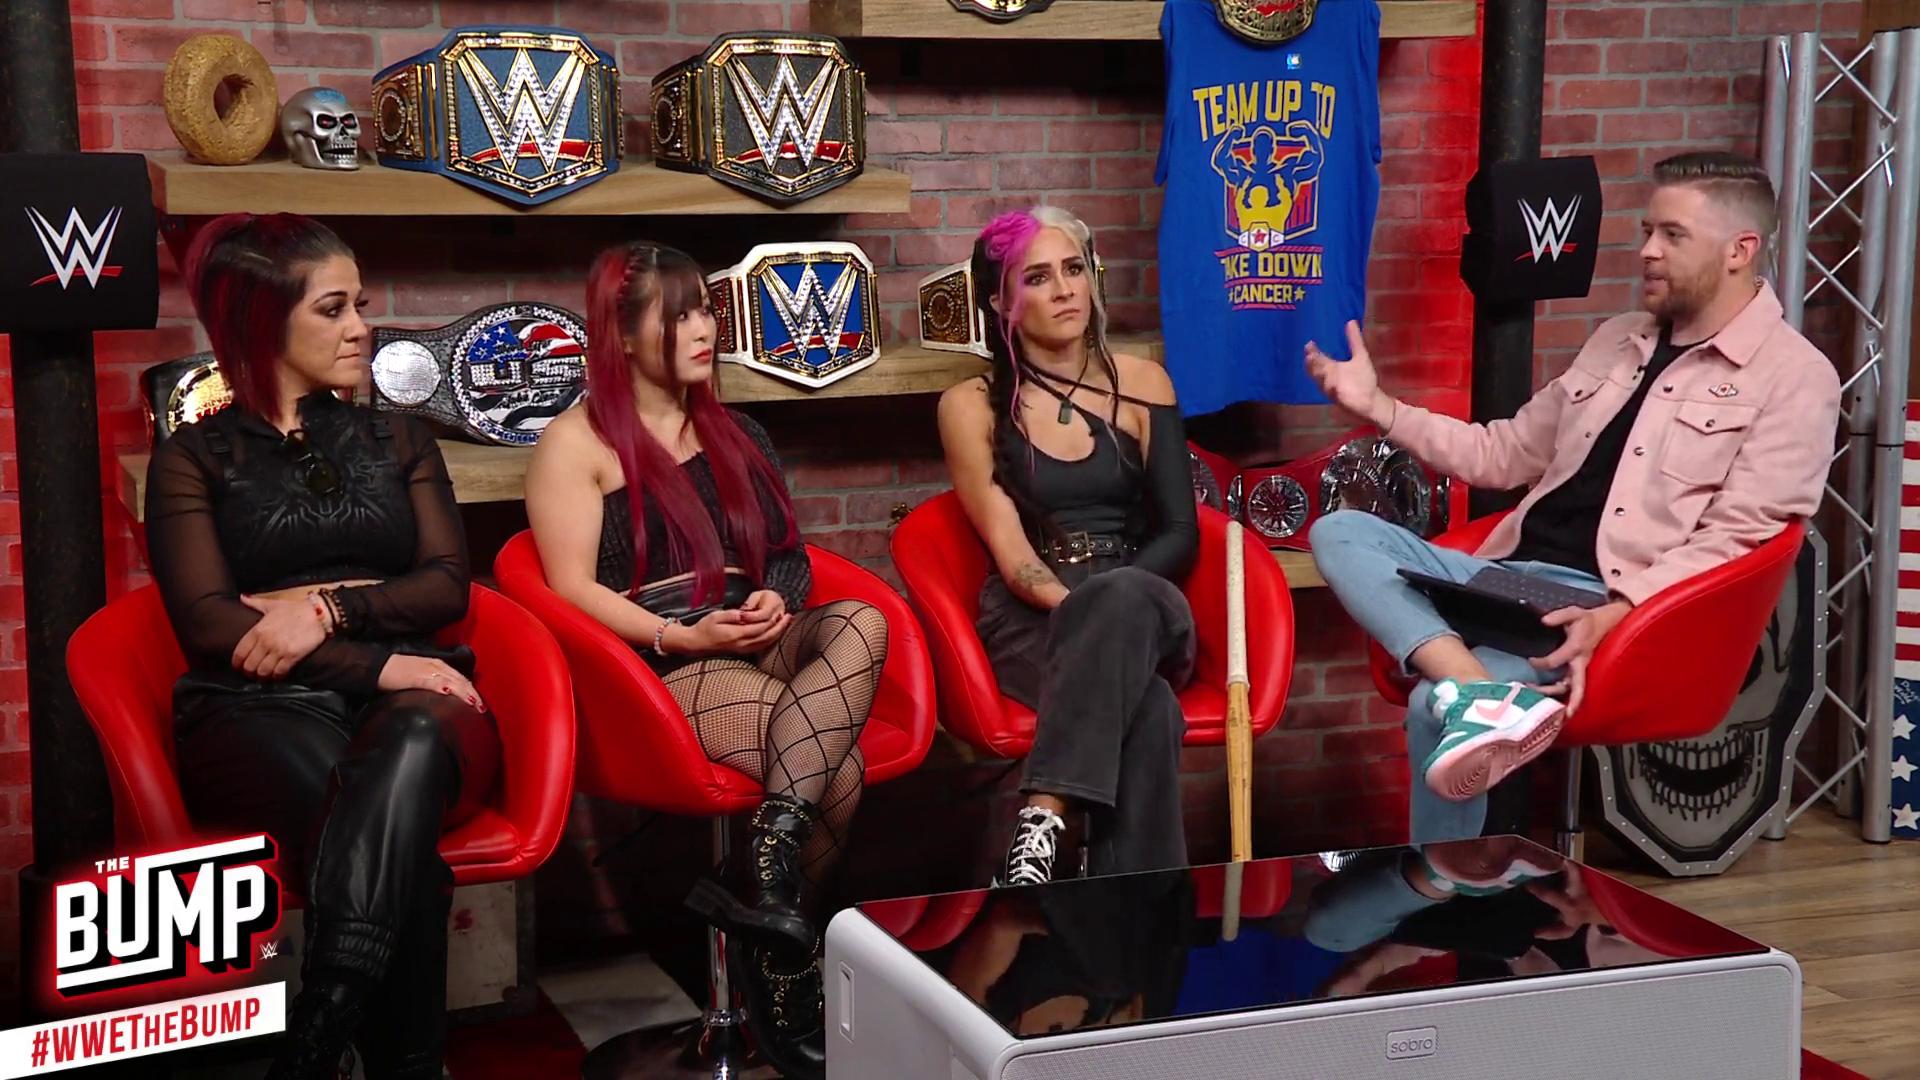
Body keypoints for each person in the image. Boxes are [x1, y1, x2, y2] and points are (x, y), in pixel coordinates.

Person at [1305, 151, 1842, 843]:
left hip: (1599, 606)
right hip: (1504, 580)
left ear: (1741, 250)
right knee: (1341, 532)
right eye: (1647, 231)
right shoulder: (1618, 340)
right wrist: (1379, 407)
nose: (1646, 251)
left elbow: (1738, 538)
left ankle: (1442, 883)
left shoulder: (1795, 377)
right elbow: (1501, 454)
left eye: (1672, 236)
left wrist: (1618, 613)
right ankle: (1476, 688)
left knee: (1430, 707)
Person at [147, 213, 501, 1080]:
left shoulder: (401, 437)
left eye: (360, 305)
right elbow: (210, 623)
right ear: (264, 321)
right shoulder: (195, 457)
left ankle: (321, 1021)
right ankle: (401, 1062)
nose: (361, 329)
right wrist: (383, 657)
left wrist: (324, 610)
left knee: (404, 751)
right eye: (334, 309)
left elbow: (445, 585)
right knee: (386, 835)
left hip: (416, 702)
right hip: (259, 710)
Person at [523, 241, 888, 1080]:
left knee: (863, 621)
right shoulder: (575, 444)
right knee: (839, 772)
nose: (703, 328)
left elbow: (787, 555)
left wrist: (776, 603)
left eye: (705, 310)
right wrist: (681, 637)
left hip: (748, 636)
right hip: (659, 664)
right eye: (678, 313)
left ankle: (764, 874)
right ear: (622, 335)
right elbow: (568, 588)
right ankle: (784, 962)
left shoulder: (738, 431)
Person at [937, 206, 1201, 888]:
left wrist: (1117, 601)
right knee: (1151, 710)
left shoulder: (1144, 382)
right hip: (1033, 615)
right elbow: (1013, 553)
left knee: (1121, 602)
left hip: (1145, 603)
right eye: (1038, 278)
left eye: (1074, 270)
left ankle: (1043, 813)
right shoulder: (970, 404)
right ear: (1002, 303)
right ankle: (1141, 907)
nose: (1064, 290)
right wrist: (1082, 610)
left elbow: (1180, 531)